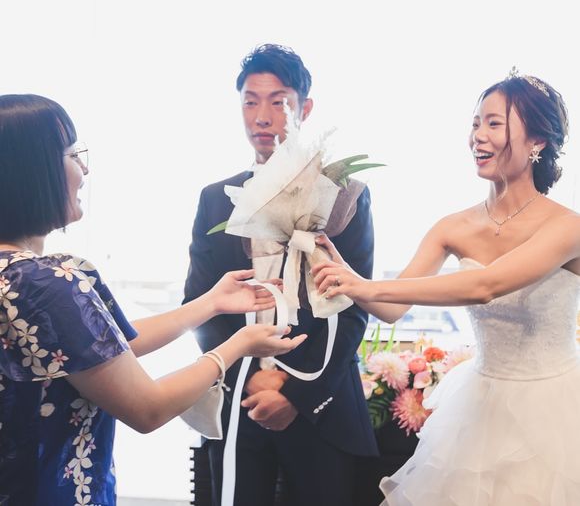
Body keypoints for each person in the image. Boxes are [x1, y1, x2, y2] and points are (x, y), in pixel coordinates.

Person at [0, 93, 306, 506]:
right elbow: (148, 409)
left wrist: (210, 303)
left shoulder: (18, 275)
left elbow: (104, 347)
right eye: (73, 154)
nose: (84, 169)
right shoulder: (47, 282)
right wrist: (236, 346)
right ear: (33, 170)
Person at [313, 69, 580, 505]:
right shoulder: (452, 226)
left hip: (557, 408)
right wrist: (341, 271)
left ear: (537, 140)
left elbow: (485, 285)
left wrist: (366, 286)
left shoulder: (568, 227)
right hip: (480, 408)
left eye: (494, 123)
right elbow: (391, 309)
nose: (478, 136)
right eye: (475, 123)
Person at [183, 43, 378, 506]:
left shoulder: (344, 194)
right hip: (241, 400)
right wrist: (249, 376)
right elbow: (200, 305)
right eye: (250, 102)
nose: (262, 117)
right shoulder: (216, 199)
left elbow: (355, 306)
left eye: (278, 102)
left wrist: (294, 393)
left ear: (304, 109)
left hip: (322, 407)